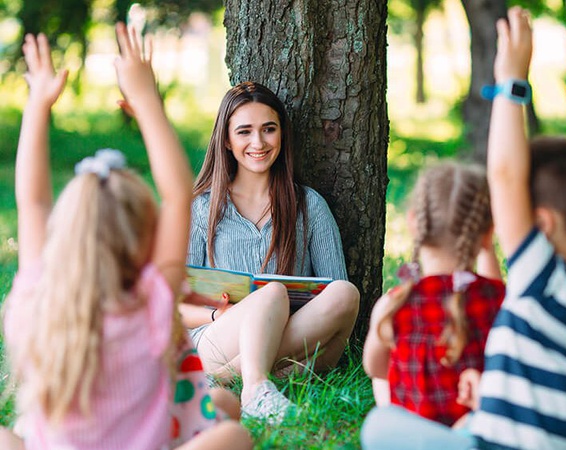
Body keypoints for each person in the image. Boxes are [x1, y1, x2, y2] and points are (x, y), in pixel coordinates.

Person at [361, 7, 566, 449]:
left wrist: (511, 82)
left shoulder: (540, 281)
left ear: (541, 222)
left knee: (379, 427)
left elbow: (503, 173)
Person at [0, 25, 252, 450]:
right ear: (143, 240)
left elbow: (32, 204)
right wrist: (147, 100)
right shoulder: (149, 303)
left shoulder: (34, 302)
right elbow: (177, 196)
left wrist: (38, 103)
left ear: (66, 234)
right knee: (232, 434)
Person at [181, 81, 360, 420]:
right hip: (214, 337)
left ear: (282, 135)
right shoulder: (201, 209)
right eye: (244, 132)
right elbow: (175, 306)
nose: (258, 143)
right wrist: (224, 315)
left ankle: (240, 379)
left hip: (290, 330)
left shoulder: (309, 205)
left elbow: (333, 297)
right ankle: (257, 387)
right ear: (227, 141)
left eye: (268, 129)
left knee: (346, 294)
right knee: (270, 293)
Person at [362, 162, 505, 426]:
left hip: (416, 435)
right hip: (481, 432)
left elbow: (375, 369)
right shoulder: (496, 299)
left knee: (380, 403)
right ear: (487, 233)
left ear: (414, 223)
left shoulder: (394, 304)